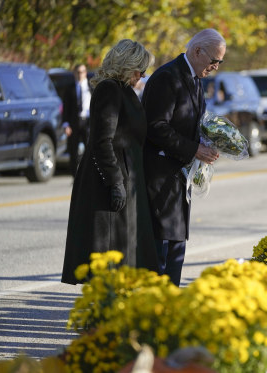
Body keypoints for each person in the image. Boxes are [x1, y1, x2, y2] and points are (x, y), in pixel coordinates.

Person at [61, 39, 159, 284]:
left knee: (126, 257)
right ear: (126, 65)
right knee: (109, 257)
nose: (142, 75)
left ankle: (115, 312)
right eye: (140, 70)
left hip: (129, 176)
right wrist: (116, 183)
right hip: (110, 180)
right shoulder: (109, 89)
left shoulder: (125, 90)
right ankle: (102, 317)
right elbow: (102, 140)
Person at [142, 28, 224, 286]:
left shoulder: (196, 79)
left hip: (180, 179)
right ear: (197, 51)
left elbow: (191, 123)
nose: (216, 68)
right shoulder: (167, 77)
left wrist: (209, 142)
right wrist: (194, 149)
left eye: (220, 63)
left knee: (177, 248)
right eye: (214, 61)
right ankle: (154, 314)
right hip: (159, 178)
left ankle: (171, 309)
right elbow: (155, 126)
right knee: (161, 253)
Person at [65, 64, 93, 176]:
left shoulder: (91, 87)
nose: (80, 74)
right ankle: (75, 176)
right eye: (78, 72)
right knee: (73, 151)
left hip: (88, 121)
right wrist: (66, 124)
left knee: (89, 150)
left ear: (86, 72)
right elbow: (66, 107)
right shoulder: (70, 88)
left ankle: (89, 175)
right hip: (74, 122)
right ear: (74, 73)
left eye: (82, 72)